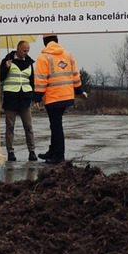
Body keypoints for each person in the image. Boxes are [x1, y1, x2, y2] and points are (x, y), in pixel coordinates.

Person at [33, 33, 86, 164]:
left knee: (56, 126)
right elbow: (75, 75)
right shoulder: (68, 55)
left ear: (44, 42)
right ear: (57, 40)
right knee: (55, 125)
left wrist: (37, 98)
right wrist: (80, 91)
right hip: (67, 96)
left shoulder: (43, 57)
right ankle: (53, 151)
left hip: (54, 97)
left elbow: (41, 80)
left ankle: (58, 156)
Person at [1, 40, 37, 162]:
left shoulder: (29, 63)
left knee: (28, 126)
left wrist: (35, 97)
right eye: (24, 50)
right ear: (18, 49)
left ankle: (32, 151)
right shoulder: (7, 61)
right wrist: (6, 68)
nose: (26, 53)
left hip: (25, 99)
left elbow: (32, 82)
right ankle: (10, 152)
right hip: (11, 98)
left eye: (28, 51)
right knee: (10, 126)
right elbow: (0, 77)